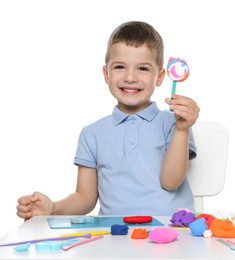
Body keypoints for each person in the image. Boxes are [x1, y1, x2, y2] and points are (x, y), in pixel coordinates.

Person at [16, 21, 200, 220]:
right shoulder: (91, 134)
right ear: (106, 74)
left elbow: (171, 182)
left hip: (171, 229)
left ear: (160, 77)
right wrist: (53, 208)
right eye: (120, 67)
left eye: (143, 69)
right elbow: (85, 197)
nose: (130, 77)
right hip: (114, 233)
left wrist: (182, 130)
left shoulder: (174, 122)